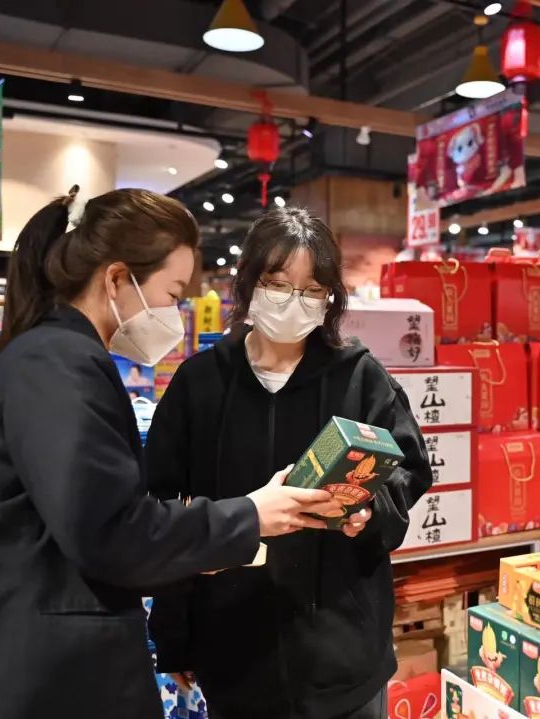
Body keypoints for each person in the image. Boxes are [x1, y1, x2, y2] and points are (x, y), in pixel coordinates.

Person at [0, 189, 342, 719]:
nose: (173, 314)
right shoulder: (58, 364)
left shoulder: (60, 357)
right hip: (32, 677)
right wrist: (250, 515)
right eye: (171, 293)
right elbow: (110, 530)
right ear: (117, 279)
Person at [147, 207, 434, 719]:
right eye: (278, 285)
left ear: (330, 299)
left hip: (344, 656)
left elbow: (408, 471)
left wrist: (370, 510)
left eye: (312, 290)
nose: (294, 302)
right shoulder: (200, 385)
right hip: (233, 650)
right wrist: (175, 635)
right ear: (249, 283)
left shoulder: (359, 377)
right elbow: (165, 507)